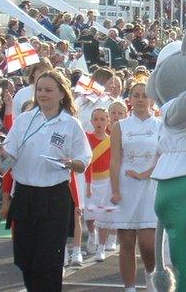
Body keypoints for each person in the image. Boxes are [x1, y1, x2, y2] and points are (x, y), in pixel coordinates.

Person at [0, 70, 91, 292]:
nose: (42, 94)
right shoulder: (24, 120)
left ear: (62, 94)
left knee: (49, 261)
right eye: (39, 89)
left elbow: (83, 161)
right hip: (25, 194)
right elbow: (8, 154)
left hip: (55, 196)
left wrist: (71, 163)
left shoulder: (70, 124)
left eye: (48, 90)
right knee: (25, 258)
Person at [97, 82, 159, 292]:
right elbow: (115, 160)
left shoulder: (160, 125)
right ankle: (129, 287)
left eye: (144, 95)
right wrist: (115, 189)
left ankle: (152, 278)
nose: (140, 99)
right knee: (126, 241)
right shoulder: (120, 126)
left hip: (150, 186)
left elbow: (162, 156)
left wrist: (145, 174)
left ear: (151, 99)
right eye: (136, 95)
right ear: (129, 99)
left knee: (148, 244)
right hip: (125, 187)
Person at [84, 108, 112, 261]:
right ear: (91, 121)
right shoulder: (87, 138)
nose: (99, 122)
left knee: (105, 213)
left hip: (106, 181)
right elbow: (86, 163)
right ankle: (91, 233)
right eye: (96, 119)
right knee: (89, 213)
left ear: (108, 121)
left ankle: (101, 247)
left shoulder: (112, 140)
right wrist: (88, 183)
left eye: (102, 119)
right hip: (90, 181)